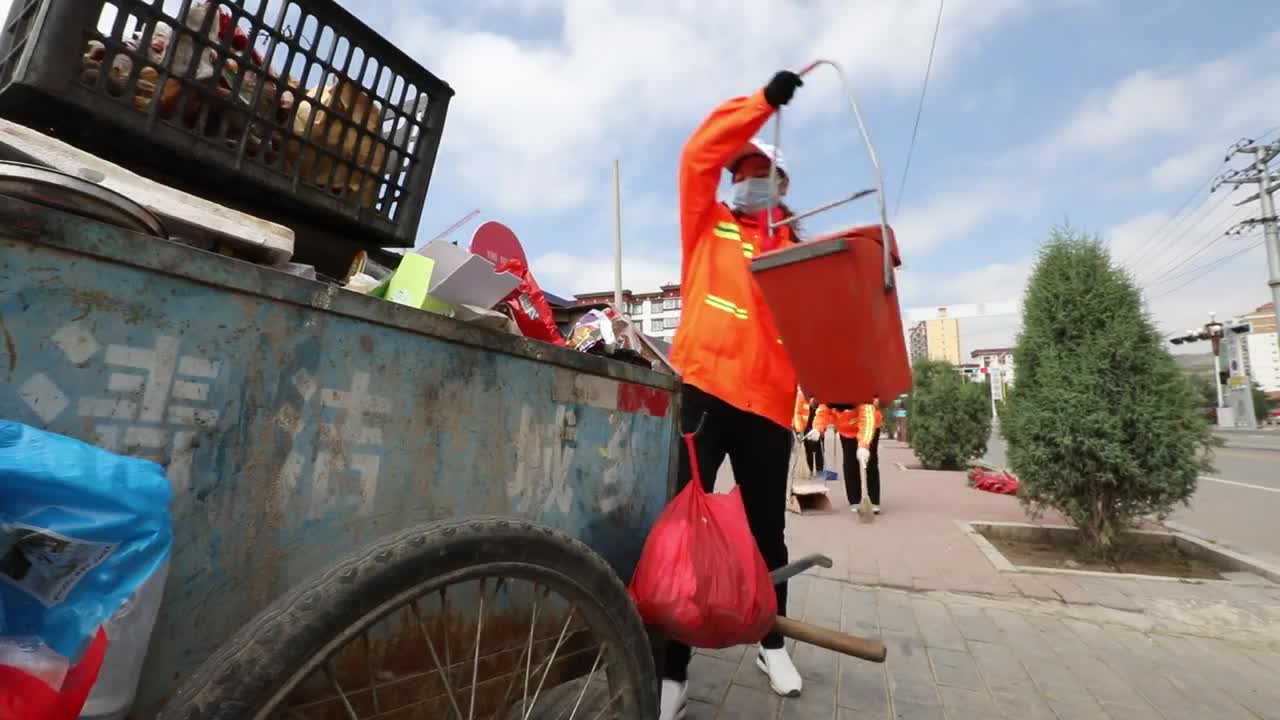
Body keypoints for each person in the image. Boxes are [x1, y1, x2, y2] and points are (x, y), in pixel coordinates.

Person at [660, 70, 806, 720]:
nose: (747, 180)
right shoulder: (707, 224)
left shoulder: (799, 248)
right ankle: (672, 670)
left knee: (768, 534)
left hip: (770, 407)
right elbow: (699, 154)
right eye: (740, 171)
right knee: (684, 528)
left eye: (760, 173)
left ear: (782, 186)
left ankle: (771, 643)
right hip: (703, 394)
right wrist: (763, 104)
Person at [833, 397, 884, 513]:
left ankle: (873, 500)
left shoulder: (865, 403)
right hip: (845, 427)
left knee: (870, 460)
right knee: (850, 460)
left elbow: (867, 422)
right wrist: (818, 428)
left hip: (869, 422)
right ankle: (854, 499)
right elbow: (823, 409)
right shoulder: (833, 395)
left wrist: (864, 446)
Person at [793, 390, 831, 477]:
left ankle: (819, 470)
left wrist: (823, 428)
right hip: (806, 425)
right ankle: (809, 470)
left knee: (819, 447)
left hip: (818, 424)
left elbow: (826, 413)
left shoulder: (821, 394)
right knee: (808, 448)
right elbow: (797, 413)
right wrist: (799, 430)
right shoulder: (801, 395)